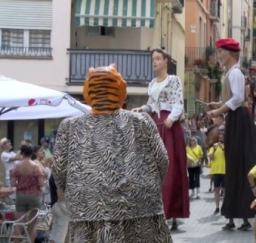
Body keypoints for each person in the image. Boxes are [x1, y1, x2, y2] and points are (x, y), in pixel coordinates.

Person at [53, 64, 172, 242]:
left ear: (88, 91)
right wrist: (147, 187)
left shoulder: (70, 127)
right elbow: (162, 160)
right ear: (121, 89)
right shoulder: (141, 121)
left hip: (89, 208)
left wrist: (75, 191)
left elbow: (59, 170)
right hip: (140, 207)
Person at [206, 38, 256, 231]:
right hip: (236, 119)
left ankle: (243, 215)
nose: (218, 55)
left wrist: (218, 111)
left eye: (221, 51)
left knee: (240, 165)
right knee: (235, 165)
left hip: (239, 121)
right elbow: (234, 99)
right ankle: (237, 215)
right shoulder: (232, 72)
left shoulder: (235, 72)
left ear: (230, 53)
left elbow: (238, 98)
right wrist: (219, 105)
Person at [132, 48, 189, 230]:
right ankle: (160, 211)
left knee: (172, 168)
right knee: (156, 169)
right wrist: (142, 109)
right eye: (153, 59)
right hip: (157, 125)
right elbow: (151, 105)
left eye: (158, 59)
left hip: (170, 126)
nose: (154, 62)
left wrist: (172, 117)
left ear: (166, 61)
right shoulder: (151, 83)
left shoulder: (173, 80)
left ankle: (172, 212)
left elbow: (178, 103)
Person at [11, 144, 45, 242]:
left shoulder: (17, 165)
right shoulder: (36, 166)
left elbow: (13, 183)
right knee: (33, 223)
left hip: (21, 195)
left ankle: (16, 241)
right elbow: (41, 183)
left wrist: (21, 184)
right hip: (34, 196)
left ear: (22, 153)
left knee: (19, 222)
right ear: (32, 153)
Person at [48, 174, 69, 243]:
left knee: (55, 229)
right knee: (61, 231)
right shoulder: (59, 175)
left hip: (54, 204)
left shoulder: (53, 174)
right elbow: (60, 194)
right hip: (60, 205)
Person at [209, 133, 226, 215]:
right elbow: (211, 158)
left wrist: (222, 148)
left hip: (224, 171)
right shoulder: (214, 146)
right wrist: (214, 150)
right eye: (219, 137)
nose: (220, 139)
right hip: (216, 171)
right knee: (216, 190)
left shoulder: (227, 146)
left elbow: (228, 156)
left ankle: (224, 207)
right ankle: (217, 207)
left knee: (224, 190)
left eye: (222, 137)